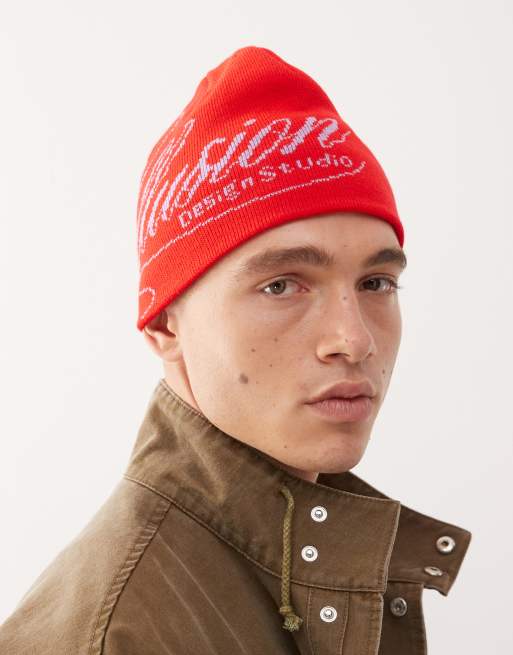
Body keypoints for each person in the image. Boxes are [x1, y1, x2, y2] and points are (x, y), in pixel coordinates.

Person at [0, 44, 472, 654]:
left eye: (376, 283)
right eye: (281, 286)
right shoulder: (118, 634)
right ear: (164, 325)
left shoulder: (297, 561)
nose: (354, 340)